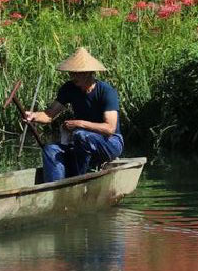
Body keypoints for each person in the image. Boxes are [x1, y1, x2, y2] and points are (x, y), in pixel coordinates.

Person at [24, 47, 124, 183]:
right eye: (71, 73)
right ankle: (55, 188)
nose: (73, 76)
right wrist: (33, 116)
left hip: (110, 142)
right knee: (50, 149)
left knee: (81, 135)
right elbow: (49, 115)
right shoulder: (68, 88)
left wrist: (79, 124)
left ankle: (79, 181)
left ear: (89, 73)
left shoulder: (106, 91)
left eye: (77, 73)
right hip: (81, 142)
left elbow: (109, 129)